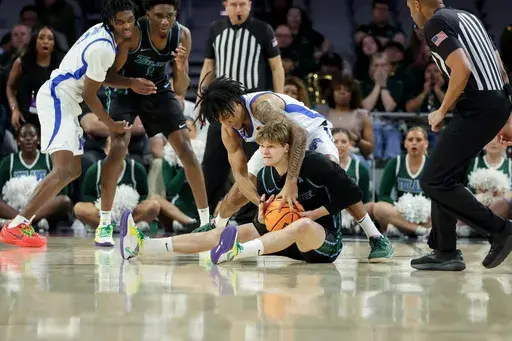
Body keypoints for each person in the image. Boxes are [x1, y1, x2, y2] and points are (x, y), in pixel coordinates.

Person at [119, 121, 394, 263]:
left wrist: (315, 211)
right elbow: (267, 222)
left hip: (323, 243)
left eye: (271, 147)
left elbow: (352, 193)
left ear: (287, 147)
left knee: (302, 223)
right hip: (283, 242)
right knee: (224, 233)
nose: (264, 152)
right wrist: (265, 215)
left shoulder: (314, 163)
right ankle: (143, 245)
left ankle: (237, 253)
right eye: (262, 147)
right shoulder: (264, 174)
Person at [0, 0, 157, 248]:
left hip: (67, 100)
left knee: (73, 170)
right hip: (58, 98)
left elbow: (100, 76)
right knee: (63, 169)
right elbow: (89, 94)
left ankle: (22, 223)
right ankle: (17, 225)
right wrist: (111, 125)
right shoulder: (103, 48)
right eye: (121, 21)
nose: (127, 26)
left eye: (130, 20)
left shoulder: (102, 32)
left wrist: (130, 83)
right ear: (110, 22)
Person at [195, 77, 394, 260]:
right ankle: (217, 230)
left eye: (229, 113)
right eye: (221, 117)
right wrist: (260, 204)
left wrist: (291, 182)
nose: (227, 120)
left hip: (309, 132)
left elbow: (298, 134)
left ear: (237, 101)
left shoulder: (261, 107)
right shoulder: (228, 129)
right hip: (275, 142)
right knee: (237, 192)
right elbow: (239, 175)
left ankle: (375, 237)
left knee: (334, 176)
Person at [406, 0, 512, 271]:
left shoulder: (435, 23)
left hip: (478, 107)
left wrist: (441, 110)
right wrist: (507, 116)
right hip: (494, 103)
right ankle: (445, 251)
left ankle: (500, 231)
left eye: (409, 7)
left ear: (417, 4)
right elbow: (499, 67)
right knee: (446, 177)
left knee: (433, 180)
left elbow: (462, 68)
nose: (410, 14)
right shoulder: (469, 17)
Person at [97, 0, 210, 247]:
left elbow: (180, 89)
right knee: (117, 147)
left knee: (185, 147)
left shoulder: (182, 35)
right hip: (125, 89)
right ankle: (104, 224)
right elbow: (108, 77)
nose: (164, 22)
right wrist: (132, 83)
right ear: (147, 14)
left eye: (169, 16)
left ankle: (205, 221)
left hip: (158, 88)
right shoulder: (133, 33)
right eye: (158, 15)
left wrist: (180, 67)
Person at [198, 0, 285, 218]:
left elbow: (276, 66)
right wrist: (202, 102)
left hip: (252, 111)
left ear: (250, 5)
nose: (238, 9)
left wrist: (279, 97)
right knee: (211, 164)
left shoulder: (262, 29)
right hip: (221, 107)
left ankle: (249, 217)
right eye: (234, 4)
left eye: (243, 4)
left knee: (253, 167)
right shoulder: (215, 29)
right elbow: (209, 67)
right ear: (225, 5)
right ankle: (205, 217)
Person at [73, 136, 160, 233]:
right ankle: (122, 227)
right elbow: (87, 195)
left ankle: (108, 227)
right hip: (102, 212)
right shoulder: (94, 170)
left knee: (154, 205)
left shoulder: (137, 169)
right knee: (79, 208)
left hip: (129, 212)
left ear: (126, 150)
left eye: (120, 148)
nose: (116, 151)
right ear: (106, 150)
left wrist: (128, 205)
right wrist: (102, 205)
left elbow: (143, 194)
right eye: (112, 147)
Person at [0, 123, 72, 231]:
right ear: (17, 141)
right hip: (15, 208)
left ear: (38, 139)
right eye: (23, 136)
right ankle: (26, 222)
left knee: (64, 200)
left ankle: (21, 222)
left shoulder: (49, 159)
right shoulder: (8, 162)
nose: (28, 139)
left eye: (32, 135)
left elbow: (62, 190)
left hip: (42, 209)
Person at [373, 127, 430, 236]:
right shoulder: (396, 163)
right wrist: (397, 208)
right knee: (378, 207)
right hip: (401, 213)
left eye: (418, 140)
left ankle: (400, 228)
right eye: (410, 139)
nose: (414, 143)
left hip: (425, 216)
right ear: (405, 144)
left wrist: (425, 211)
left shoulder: (432, 164)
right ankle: (419, 230)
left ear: (426, 143)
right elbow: (383, 195)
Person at [7, 26, 63, 130]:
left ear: (54, 44)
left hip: (53, 117)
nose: (45, 41)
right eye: (41, 38)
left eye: (50, 39)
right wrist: (14, 109)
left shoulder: (62, 65)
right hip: (26, 117)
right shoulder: (21, 63)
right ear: (34, 41)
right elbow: (10, 87)